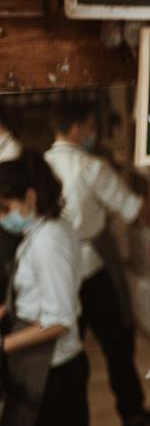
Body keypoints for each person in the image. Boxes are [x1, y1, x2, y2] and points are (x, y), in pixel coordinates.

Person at [44, 104, 150, 426]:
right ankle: (132, 413)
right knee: (117, 341)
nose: (91, 134)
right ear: (77, 127)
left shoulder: (43, 165)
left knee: (66, 350)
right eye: (89, 126)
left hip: (54, 268)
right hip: (92, 267)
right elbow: (130, 207)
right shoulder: (90, 166)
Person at [0, 151, 88, 426]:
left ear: (30, 197)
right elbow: (35, 292)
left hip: (55, 370)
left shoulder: (49, 241)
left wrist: (3, 345)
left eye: (4, 209)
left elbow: (60, 319)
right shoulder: (40, 231)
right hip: (39, 363)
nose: (1, 217)